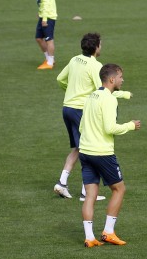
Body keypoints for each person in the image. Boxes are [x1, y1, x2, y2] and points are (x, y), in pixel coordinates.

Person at [54, 33, 132, 201]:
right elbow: (102, 91)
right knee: (87, 146)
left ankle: (62, 182)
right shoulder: (95, 65)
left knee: (78, 147)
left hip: (67, 107)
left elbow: (60, 78)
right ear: (96, 47)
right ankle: (85, 192)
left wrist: (70, 92)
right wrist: (123, 94)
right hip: (79, 109)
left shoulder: (74, 59)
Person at [79, 64, 140, 248]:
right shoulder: (109, 99)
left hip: (85, 152)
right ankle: (108, 232)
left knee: (90, 194)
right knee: (119, 189)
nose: (122, 80)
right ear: (112, 79)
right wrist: (130, 125)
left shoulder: (91, 96)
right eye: (121, 77)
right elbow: (110, 128)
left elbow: (81, 126)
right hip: (102, 153)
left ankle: (90, 238)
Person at [28, 0, 57, 70]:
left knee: (49, 39)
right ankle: (49, 59)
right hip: (44, 15)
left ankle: (50, 63)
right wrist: (40, 13)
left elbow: (45, 2)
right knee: (38, 38)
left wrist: (44, 18)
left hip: (48, 17)